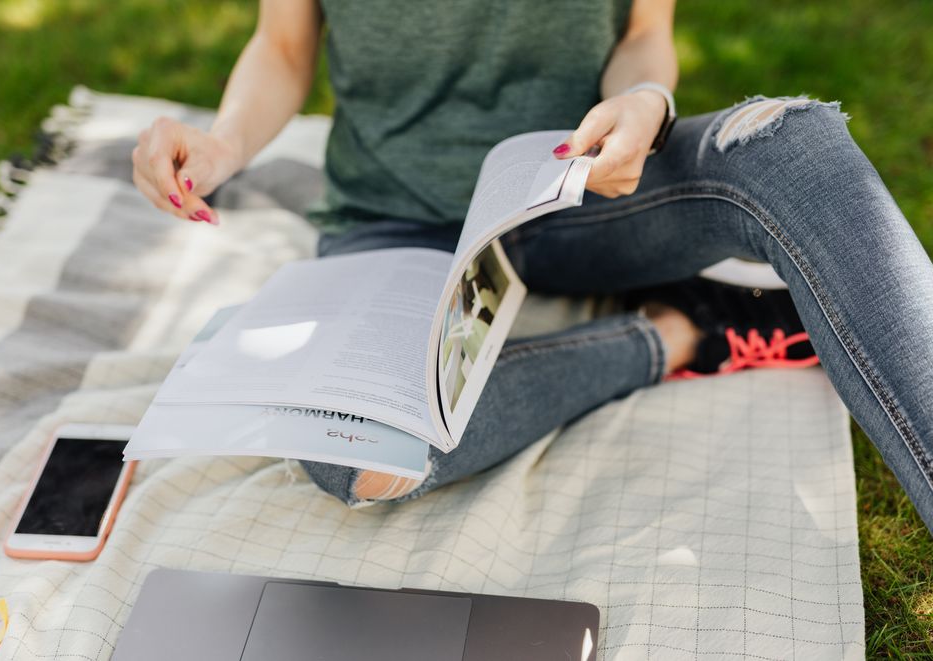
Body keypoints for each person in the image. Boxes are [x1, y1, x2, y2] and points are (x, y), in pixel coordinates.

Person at [132, 0, 933, 533]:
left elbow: (642, 33)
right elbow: (282, 47)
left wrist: (646, 100)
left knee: (795, 146)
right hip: (394, 220)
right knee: (358, 452)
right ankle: (683, 331)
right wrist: (225, 143)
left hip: (571, 186)